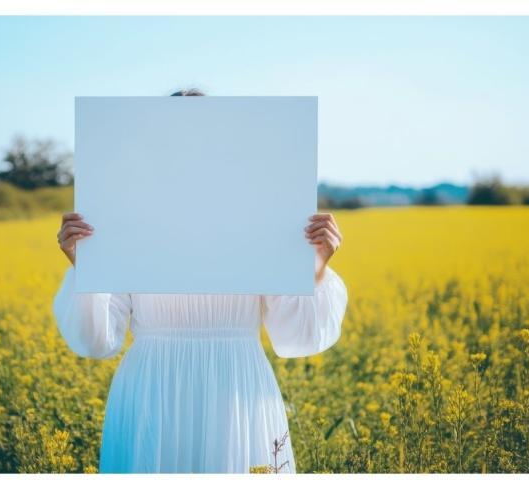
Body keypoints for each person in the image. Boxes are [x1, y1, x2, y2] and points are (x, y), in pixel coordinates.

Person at [52, 88, 348, 473]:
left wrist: (314, 268)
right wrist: (84, 265)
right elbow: (96, 341)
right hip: (151, 391)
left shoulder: (262, 211)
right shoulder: (122, 212)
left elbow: (297, 336)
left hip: (238, 388)